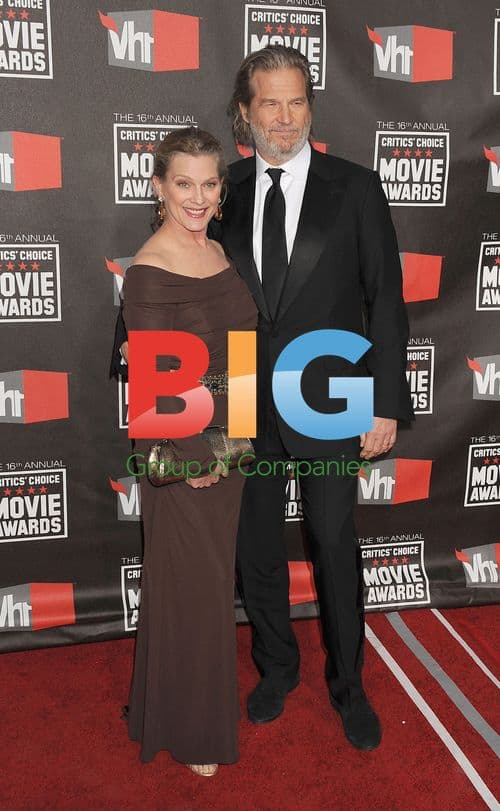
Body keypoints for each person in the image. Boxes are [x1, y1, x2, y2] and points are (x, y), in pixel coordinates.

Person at [112, 46, 413, 752]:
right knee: (254, 551)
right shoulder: (226, 188)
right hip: (242, 399)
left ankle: (349, 685)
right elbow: (183, 283)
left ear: (311, 106)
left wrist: (386, 403)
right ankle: (276, 668)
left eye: (296, 101)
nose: (284, 117)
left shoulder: (357, 188)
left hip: (329, 394)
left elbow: (387, 303)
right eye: (268, 103)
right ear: (244, 113)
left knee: (335, 544)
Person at [120, 128, 257, 777]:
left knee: (197, 590)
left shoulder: (218, 251)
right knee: (193, 591)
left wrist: (240, 435)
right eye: (183, 183)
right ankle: (193, 731)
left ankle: (168, 709)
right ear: (158, 187)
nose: (197, 197)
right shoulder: (150, 269)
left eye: (209, 183)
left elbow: (241, 353)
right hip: (181, 452)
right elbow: (156, 385)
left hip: (228, 442)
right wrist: (198, 458)